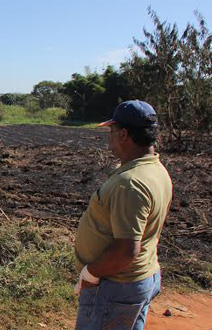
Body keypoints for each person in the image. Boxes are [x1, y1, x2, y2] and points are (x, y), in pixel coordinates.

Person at [73, 100, 173, 330]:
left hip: (116, 286)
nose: (110, 138)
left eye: (112, 131)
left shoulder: (130, 183)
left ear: (124, 134)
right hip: (137, 279)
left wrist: (90, 273)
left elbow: (126, 249)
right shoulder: (155, 170)